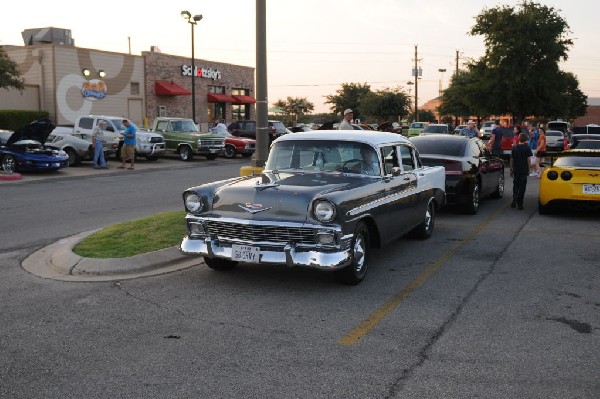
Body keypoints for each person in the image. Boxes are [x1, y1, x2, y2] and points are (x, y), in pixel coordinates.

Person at [510, 133, 533, 210]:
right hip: (524, 169)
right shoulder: (527, 148)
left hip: (516, 169)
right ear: (526, 139)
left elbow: (512, 159)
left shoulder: (514, 148)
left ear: (518, 139)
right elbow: (528, 159)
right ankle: (520, 203)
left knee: (516, 184)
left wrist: (511, 169)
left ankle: (515, 196)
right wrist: (529, 169)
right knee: (522, 186)